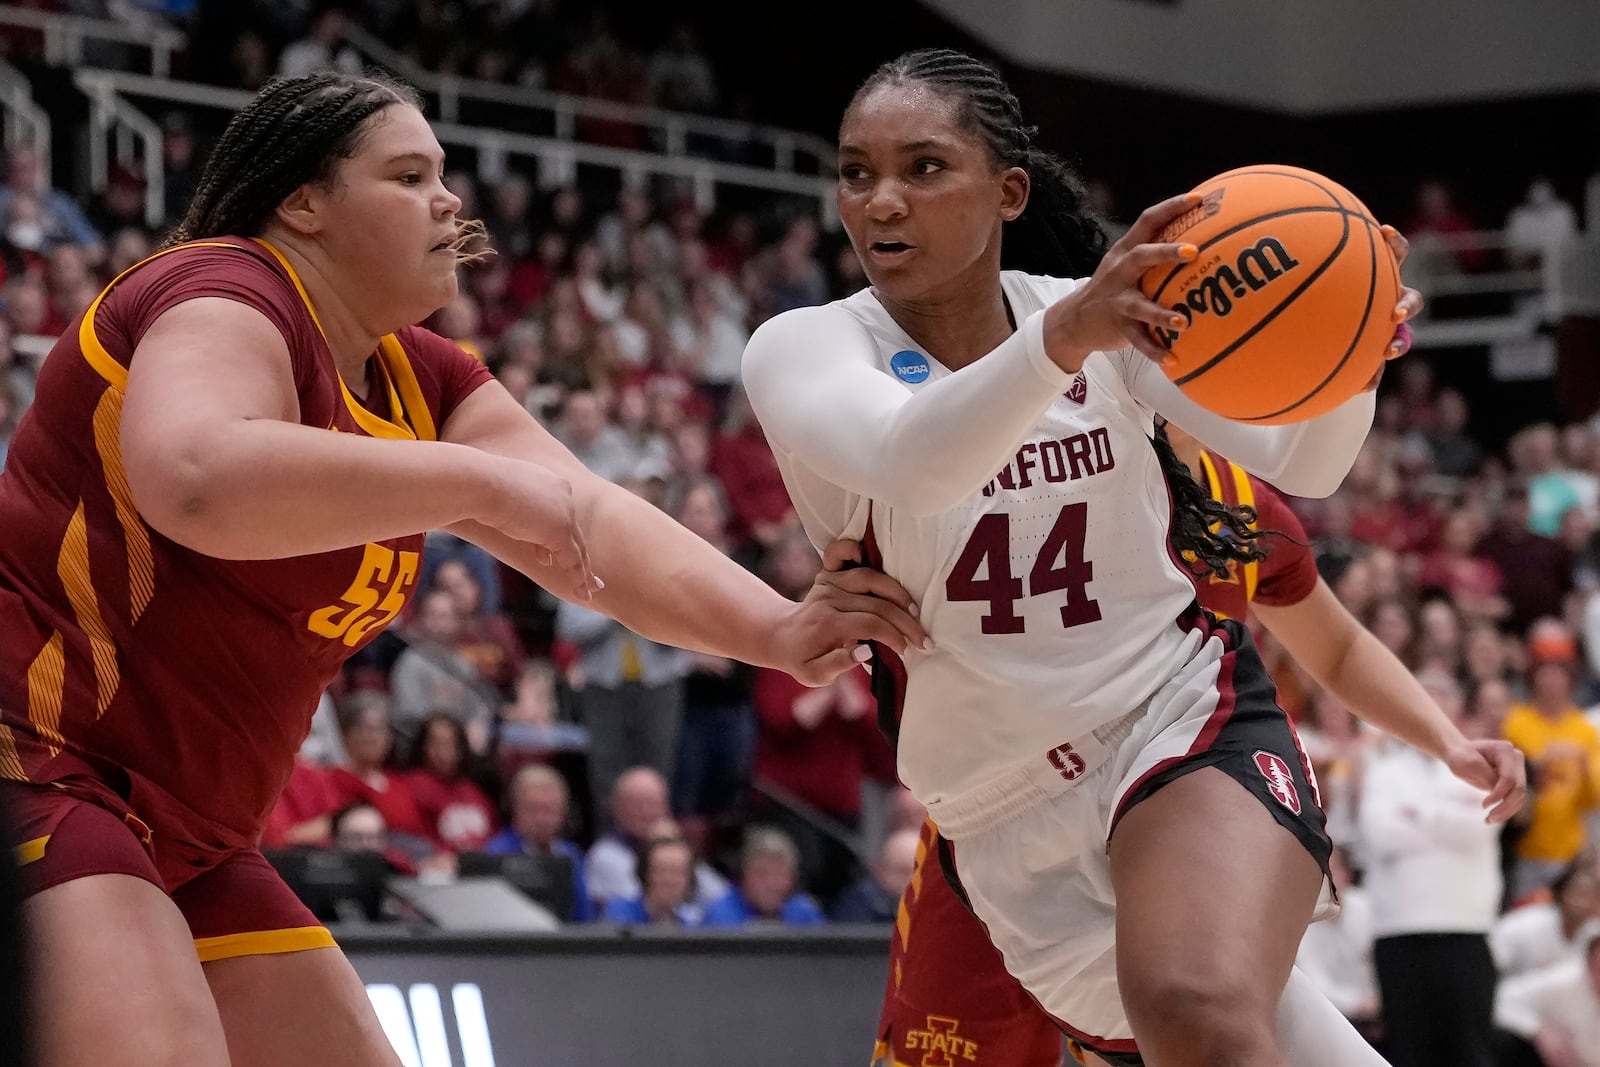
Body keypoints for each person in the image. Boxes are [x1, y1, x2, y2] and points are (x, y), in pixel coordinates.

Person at [0, 69, 926, 1067]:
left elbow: (592, 525)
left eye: (444, 173)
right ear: (302, 202)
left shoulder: (423, 375)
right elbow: (195, 476)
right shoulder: (221, 287)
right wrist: (468, 483)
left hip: (195, 830)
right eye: (407, 175)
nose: (450, 200)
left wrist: (779, 630)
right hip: (41, 758)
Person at [742, 48, 1519, 1067]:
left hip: (1176, 721)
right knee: (1228, 1037)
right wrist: (1065, 334)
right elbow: (912, 458)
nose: (881, 199)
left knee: (1193, 1002)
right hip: (994, 811)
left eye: (923, 167)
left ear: (1006, 191)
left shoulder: (1094, 321)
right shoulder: (803, 347)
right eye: (855, 172)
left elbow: (1307, 460)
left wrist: (1355, 346)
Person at [868, 422, 1523, 1067]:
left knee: (1199, 1024)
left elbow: (1339, 645)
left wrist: (1447, 740)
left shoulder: (1239, 503)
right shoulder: (1038, 474)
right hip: (998, 820)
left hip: (1168, 809)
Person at [1357, 667, 1505, 1067]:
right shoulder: (1383, 768)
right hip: (1398, 929)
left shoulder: (1480, 766)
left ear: (1455, 712)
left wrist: (1416, 813)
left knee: (1470, 1052)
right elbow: (1380, 834)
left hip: (1466, 929)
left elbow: (1480, 827)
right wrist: (1446, 817)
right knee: (1408, 1052)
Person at [701, 825, 826, 927]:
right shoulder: (719, 914)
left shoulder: (805, 911)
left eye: (779, 874)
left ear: (793, 878)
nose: (771, 884)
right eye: (761, 874)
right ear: (744, 875)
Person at [600, 832, 704, 927]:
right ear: (645, 873)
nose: (669, 880)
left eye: (678, 872)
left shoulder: (691, 922)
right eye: (662, 870)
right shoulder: (620, 911)